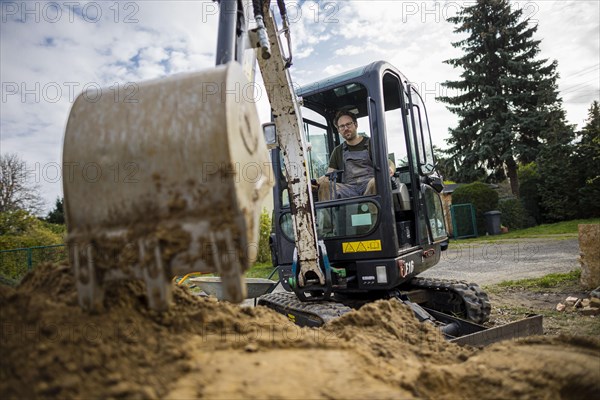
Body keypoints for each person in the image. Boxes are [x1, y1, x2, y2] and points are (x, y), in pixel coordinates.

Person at [317, 110, 375, 200]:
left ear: (355, 124)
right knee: (326, 186)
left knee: (375, 182)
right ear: (338, 130)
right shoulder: (338, 150)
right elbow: (329, 175)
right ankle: (327, 214)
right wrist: (319, 180)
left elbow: (388, 164)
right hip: (349, 189)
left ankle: (372, 212)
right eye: (342, 126)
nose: (346, 128)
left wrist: (390, 168)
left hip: (369, 185)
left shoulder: (371, 143)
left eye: (348, 124)